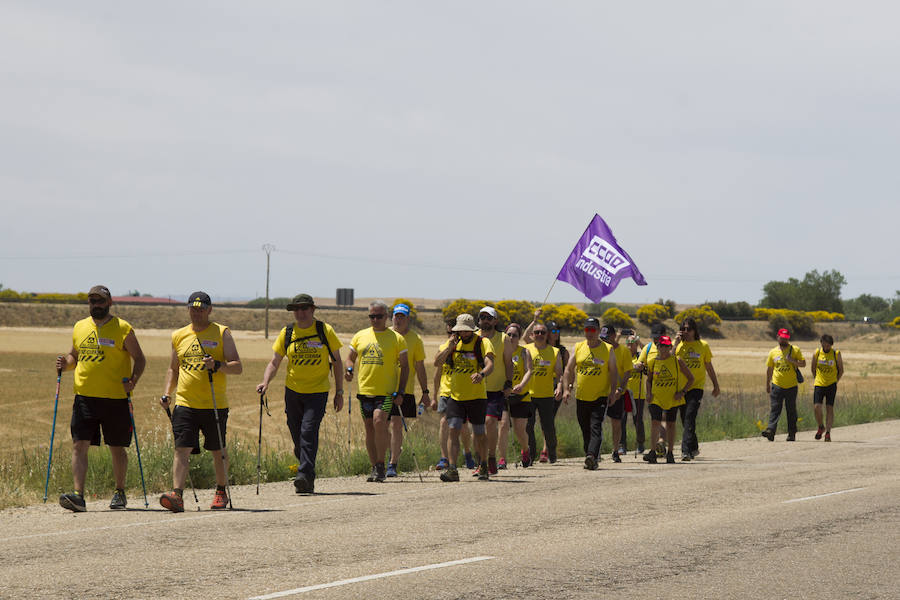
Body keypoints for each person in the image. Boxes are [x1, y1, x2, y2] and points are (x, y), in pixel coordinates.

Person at [56, 285, 146, 512]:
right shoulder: (80, 327)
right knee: (79, 445)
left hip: (115, 398)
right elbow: (73, 357)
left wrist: (133, 380)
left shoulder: (123, 328)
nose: (95, 305)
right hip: (85, 397)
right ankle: (78, 496)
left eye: (100, 301)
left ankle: (120, 491)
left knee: (116, 447)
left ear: (109, 303)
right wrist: (64, 364)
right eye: (92, 301)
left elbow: (140, 359)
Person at [159, 292, 243, 512]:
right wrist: (167, 393)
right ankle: (177, 495)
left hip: (214, 404)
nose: (196, 313)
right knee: (181, 449)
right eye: (193, 309)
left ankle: (221, 491)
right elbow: (173, 368)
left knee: (218, 450)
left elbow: (237, 366)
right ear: (188, 309)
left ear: (209, 310)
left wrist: (217, 365)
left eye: (201, 309)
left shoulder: (221, 332)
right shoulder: (178, 335)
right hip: (185, 402)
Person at [256, 294, 343, 494]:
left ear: (312, 310)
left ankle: (303, 474)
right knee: (298, 437)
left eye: (304, 308)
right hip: (293, 392)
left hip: (318, 391)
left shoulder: (324, 330)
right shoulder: (287, 333)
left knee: (308, 431)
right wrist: (265, 382)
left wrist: (339, 391)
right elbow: (275, 361)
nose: (300, 313)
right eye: (297, 309)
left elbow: (336, 362)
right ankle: (308, 476)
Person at [344, 301, 408, 482]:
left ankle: (381, 465)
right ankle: (374, 466)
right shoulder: (360, 336)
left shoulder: (396, 338)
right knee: (369, 428)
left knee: (380, 421)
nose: (375, 319)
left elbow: (405, 366)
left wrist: (401, 391)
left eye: (379, 316)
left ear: (386, 317)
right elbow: (349, 358)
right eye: (372, 316)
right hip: (364, 390)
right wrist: (349, 370)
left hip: (386, 392)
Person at [434, 313, 495, 481]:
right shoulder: (452, 343)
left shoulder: (483, 342)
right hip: (456, 397)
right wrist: (449, 348)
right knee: (453, 430)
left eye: (467, 331)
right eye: (461, 331)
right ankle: (453, 469)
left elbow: (490, 364)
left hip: (477, 397)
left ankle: (483, 465)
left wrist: (481, 374)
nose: (464, 334)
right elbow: (437, 363)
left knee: (479, 433)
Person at [563, 318, 617, 470]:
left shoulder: (607, 349)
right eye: (587, 330)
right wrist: (567, 389)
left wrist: (613, 392)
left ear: (599, 331)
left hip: (600, 396)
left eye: (593, 330)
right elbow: (568, 369)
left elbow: (613, 372)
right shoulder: (579, 347)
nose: (590, 333)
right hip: (581, 396)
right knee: (585, 428)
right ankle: (590, 455)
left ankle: (592, 455)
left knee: (595, 427)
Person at [387, 303, 432, 477]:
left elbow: (420, 367)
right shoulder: (386, 335)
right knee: (381, 425)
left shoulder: (415, 339)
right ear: (392, 317)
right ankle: (381, 461)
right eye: (396, 316)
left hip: (405, 390)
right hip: (384, 389)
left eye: (402, 317)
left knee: (397, 425)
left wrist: (425, 392)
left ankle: (393, 463)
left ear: (408, 319)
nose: (399, 319)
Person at [523, 313, 569, 462]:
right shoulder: (527, 349)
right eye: (537, 332)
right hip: (528, 395)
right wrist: (534, 320)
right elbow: (523, 335)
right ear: (533, 335)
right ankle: (531, 455)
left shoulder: (554, 352)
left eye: (543, 332)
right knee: (528, 427)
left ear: (546, 335)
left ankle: (552, 452)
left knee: (548, 427)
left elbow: (560, 373)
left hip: (547, 395)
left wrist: (560, 387)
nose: (540, 335)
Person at [673, 317, 720, 461]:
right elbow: (668, 358)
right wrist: (675, 343)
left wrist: (716, 385)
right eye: (683, 329)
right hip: (680, 388)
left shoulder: (703, 346)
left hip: (696, 387)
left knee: (689, 417)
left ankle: (685, 451)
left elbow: (709, 367)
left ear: (694, 331)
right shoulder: (678, 346)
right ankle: (693, 447)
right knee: (684, 419)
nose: (686, 332)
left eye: (689, 329)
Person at [643, 335, 694, 464]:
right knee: (655, 422)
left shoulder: (677, 361)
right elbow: (648, 381)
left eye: (666, 346)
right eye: (661, 346)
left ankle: (670, 452)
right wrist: (648, 394)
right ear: (658, 347)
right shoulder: (653, 362)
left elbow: (690, 378)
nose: (664, 349)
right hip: (656, 397)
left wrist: (682, 392)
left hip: (673, 398)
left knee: (671, 424)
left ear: (670, 347)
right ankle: (653, 451)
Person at [433, 319, 474, 470]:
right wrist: (433, 396)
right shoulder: (444, 347)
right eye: (448, 333)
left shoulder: (468, 347)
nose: (451, 336)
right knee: (444, 423)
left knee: (462, 427)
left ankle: (467, 452)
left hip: (461, 391)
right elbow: (437, 369)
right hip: (446, 392)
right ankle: (444, 457)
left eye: (453, 333)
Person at [476, 306, 512, 474]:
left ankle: (491, 456)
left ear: (495, 321)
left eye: (488, 318)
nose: (485, 320)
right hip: (475, 390)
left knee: (490, 423)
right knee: (477, 428)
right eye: (482, 317)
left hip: (495, 390)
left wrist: (509, 382)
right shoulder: (474, 338)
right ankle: (481, 461)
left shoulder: (504, 338)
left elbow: (508, 363)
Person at [762, 328, 806, 442]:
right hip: (777, 385)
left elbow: (803, 363)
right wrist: (767, 383)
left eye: (786, 338)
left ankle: (792, 433)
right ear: (778, 337)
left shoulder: (795, 350)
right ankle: (770, 431)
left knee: (791, 410)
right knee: (775, 408)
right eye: (782, 338)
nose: (784, 340)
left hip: (791, 386)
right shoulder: (773, 352)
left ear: (788, 338)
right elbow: (769, 369)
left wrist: (792, 361)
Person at [599, 325, 631, 462]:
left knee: (616, 423)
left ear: (613, 336)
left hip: (617, 393)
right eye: (602, 338)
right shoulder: (599, 350)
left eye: (607, 338)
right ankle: (596, 451)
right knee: (597, 423)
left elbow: (628, 372)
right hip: (600, 392)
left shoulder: (623, 351)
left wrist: (620, 390)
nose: (604, 341)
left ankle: (615, 450)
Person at [503, 322, 533, 466]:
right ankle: (502, 459)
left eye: (515, 335)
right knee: (502, 426)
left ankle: (526, 450)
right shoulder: (500, 351)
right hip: (504, 394)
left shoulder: (523, 352)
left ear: (519, 337)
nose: (511, 337)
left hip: (521, 396)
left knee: (519, 430)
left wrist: (521, 385)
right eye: (509, 334)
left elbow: (529, 370)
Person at [811, 334, 843, 442]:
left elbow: (841, 370)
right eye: (826, 344)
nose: (827, 347)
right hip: (819, 383)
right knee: (816, 407)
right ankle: (821, 426)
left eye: (829, 345)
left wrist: (835, 381)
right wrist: (817, 379)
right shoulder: (817, 353)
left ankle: (828, 432)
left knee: (829, 408)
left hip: (831, 384)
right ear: (822, 343)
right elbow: (813, 368)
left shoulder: (836, 354)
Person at [623, 333, 647, 454]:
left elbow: (647, 352)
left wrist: (638, 340)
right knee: (621, 419)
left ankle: (640, 443)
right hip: (624, 392)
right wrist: (634, 366)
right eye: (628, 343)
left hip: (638, 394)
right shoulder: (624, 356)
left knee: (637, 420)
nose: (629, 345)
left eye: (632, 343)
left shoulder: (640, 355)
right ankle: (622, 445)